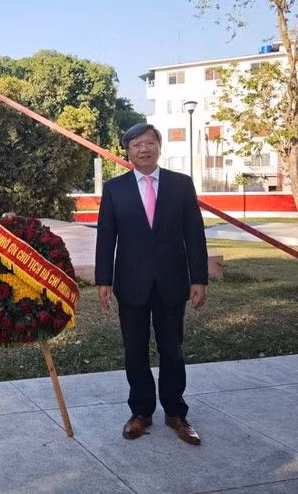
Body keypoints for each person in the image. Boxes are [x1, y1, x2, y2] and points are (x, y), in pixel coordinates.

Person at [95, 122, 208, 445]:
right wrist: (104, 279)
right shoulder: (115, 189)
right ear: (127, 152)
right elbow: (106, 238)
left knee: (172, 349)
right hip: (130, 283)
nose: (143, 149)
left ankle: (176, 413)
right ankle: (141, 412)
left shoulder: (181, 185)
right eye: (136, 145)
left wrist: (198, 278)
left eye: (149, 143)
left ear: (160, 147)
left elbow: (194, 236)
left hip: (172, 283)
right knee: (135, 349)